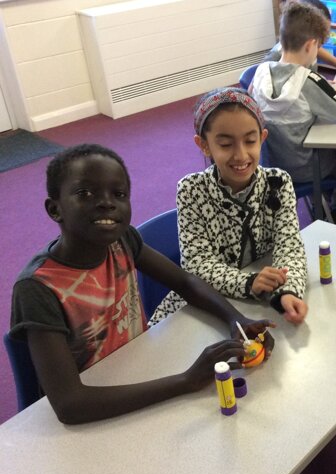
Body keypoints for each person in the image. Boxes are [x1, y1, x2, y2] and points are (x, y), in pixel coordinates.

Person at [9, 144, 274, 425]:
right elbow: (70, 405)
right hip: (95, 405)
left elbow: (185, 282)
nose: (107, 203)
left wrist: (236, 319)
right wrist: (186, 381)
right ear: (55, 209)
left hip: (139, 369)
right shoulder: (37, 289)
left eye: (119, 194)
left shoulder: (122, 240)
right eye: (85, 193)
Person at [150, 88, 309, 326]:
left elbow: (289, 246)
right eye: (225, 144)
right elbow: (196, 265)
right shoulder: (191, 190)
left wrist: (288, 290)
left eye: (250, 141)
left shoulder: (278, 182)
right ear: (204, 145)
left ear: (262, 138)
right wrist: (248, 282)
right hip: (204, 305)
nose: (241, 155)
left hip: (256, 306)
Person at [252, 2, 336, 225]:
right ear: (311, 45)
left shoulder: (261, 72)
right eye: (318, 46)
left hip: (270, 165)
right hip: (308, 168)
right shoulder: (308, 81)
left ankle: (319, 203)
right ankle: (335, 210)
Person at [265, 0, 336, 71]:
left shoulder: (304, 44)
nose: (322, 44)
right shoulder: (273, 60)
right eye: (320, 39)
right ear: (309, 45)